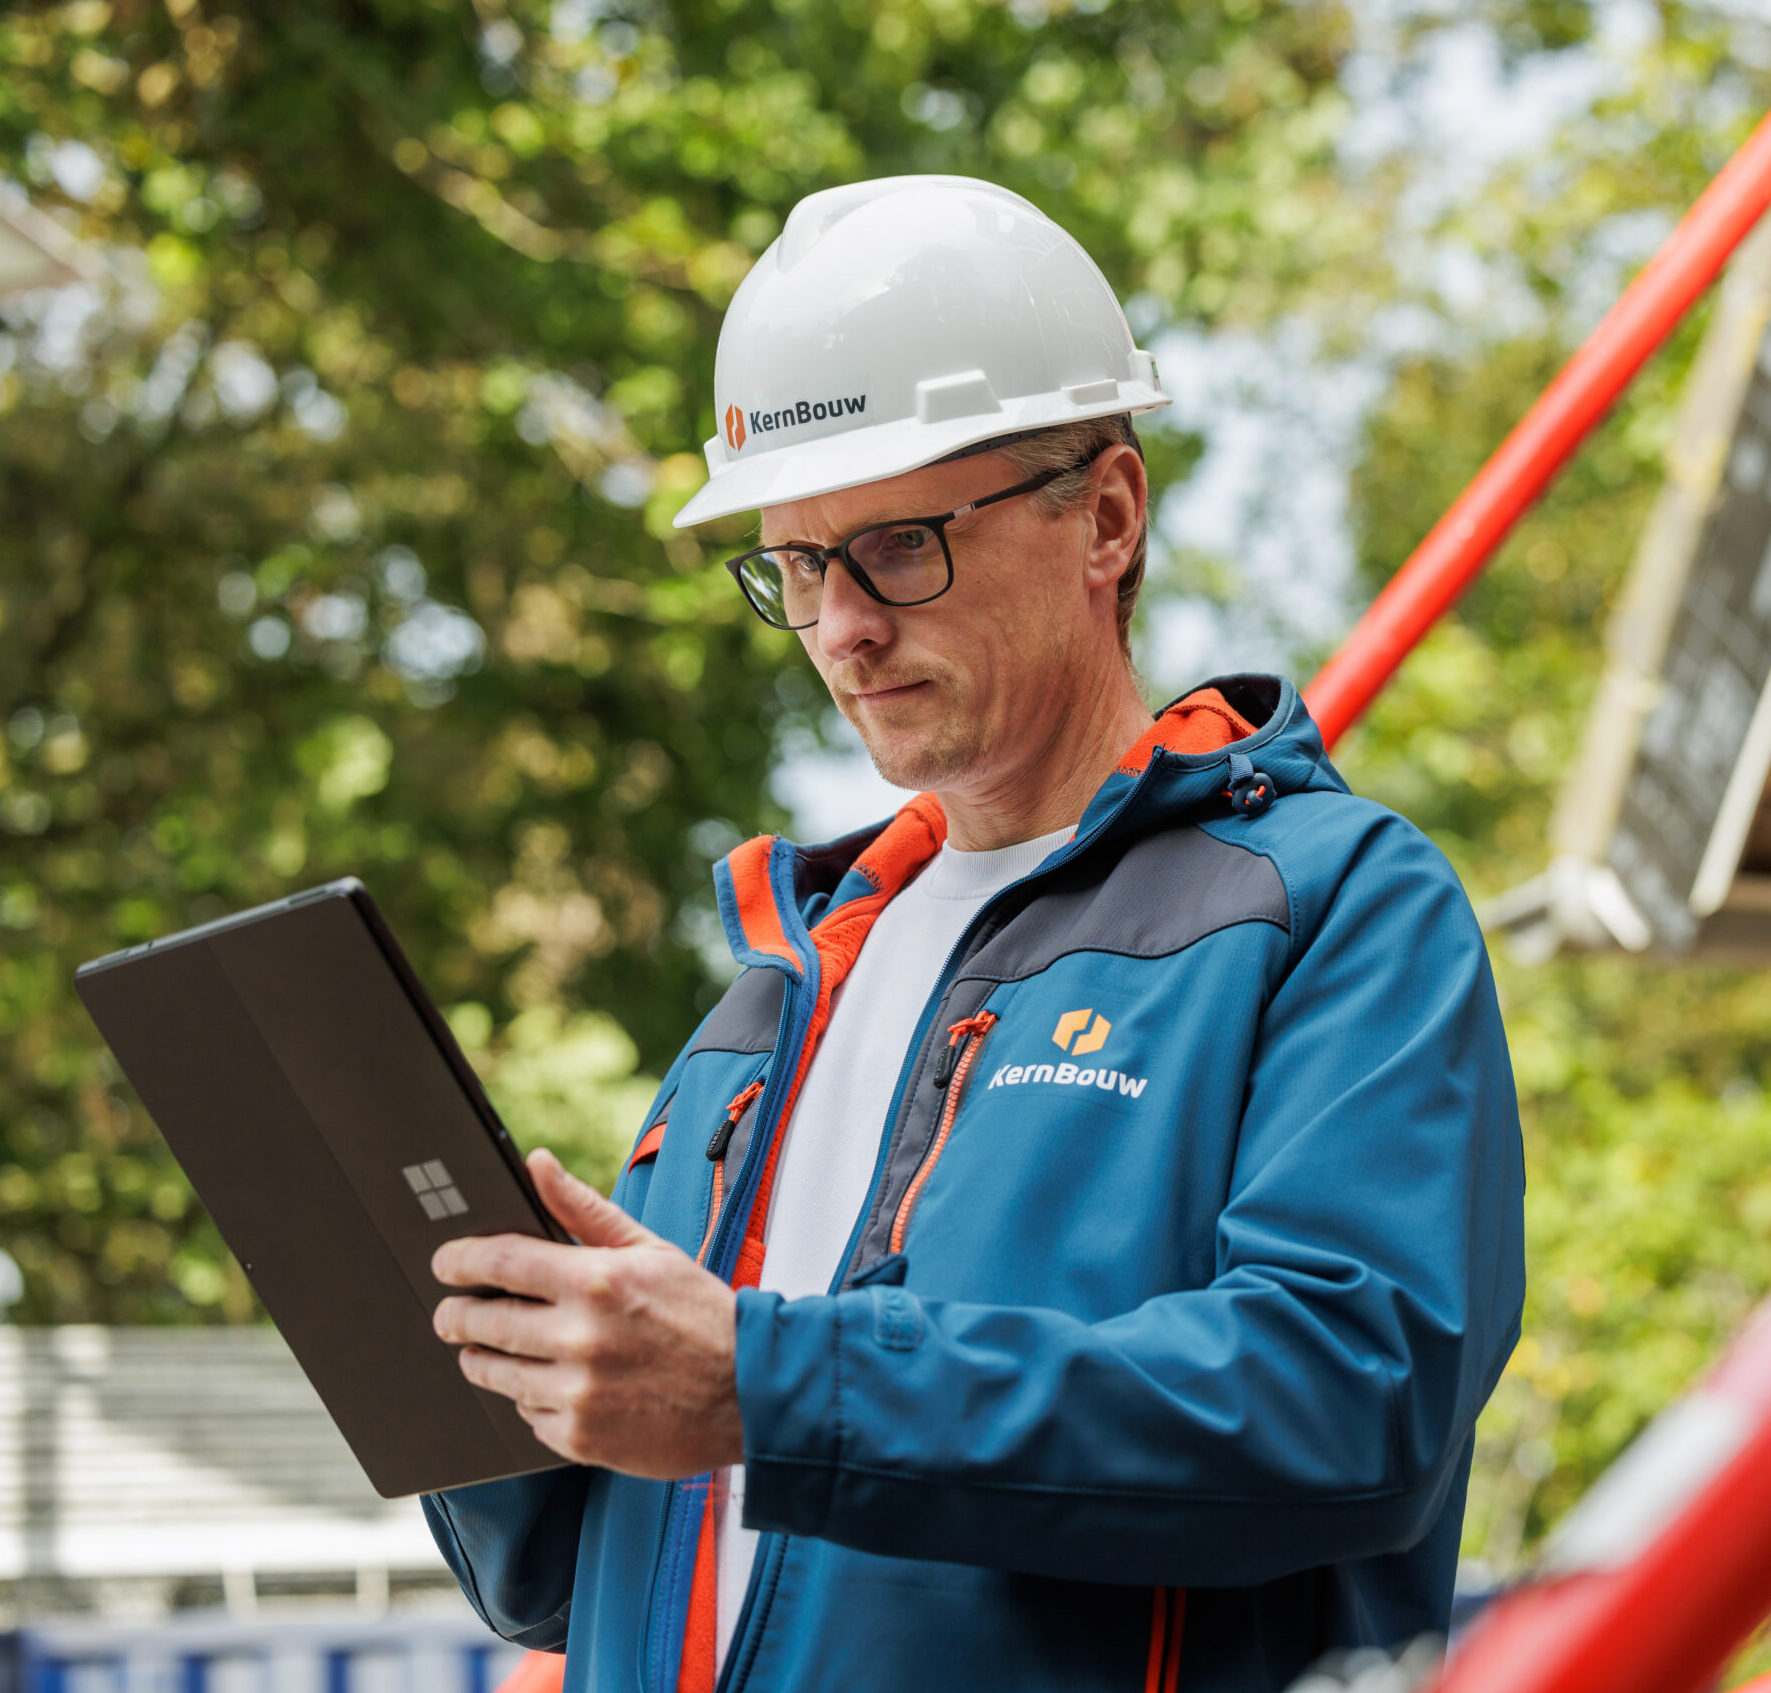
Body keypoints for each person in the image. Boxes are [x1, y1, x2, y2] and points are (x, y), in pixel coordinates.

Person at [421, 175, 1526, 1693]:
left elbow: (1345, 1407)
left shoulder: (1328, 910)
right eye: (797, 567)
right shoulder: (775, 985)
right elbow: (556, 1572)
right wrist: (476, 1363)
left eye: (896, 544)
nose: (842, 627)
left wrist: (768, 1387)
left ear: (1108, 518)